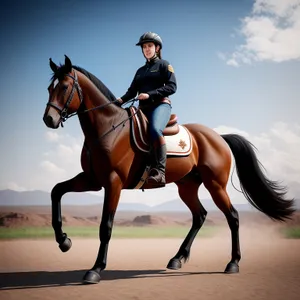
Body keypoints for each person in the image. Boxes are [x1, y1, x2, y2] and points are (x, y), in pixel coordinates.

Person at [117, 32, 177, 187]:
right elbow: (131, 92)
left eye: (150, 46)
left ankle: (160, 172)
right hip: (142, 109)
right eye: (144, 47)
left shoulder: (164, 65)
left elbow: (172, 87)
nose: (147, 49)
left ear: (157, 48)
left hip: (160, 105)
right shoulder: (139, 71)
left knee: (155, 130)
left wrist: (149, 94)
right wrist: (119, 101)